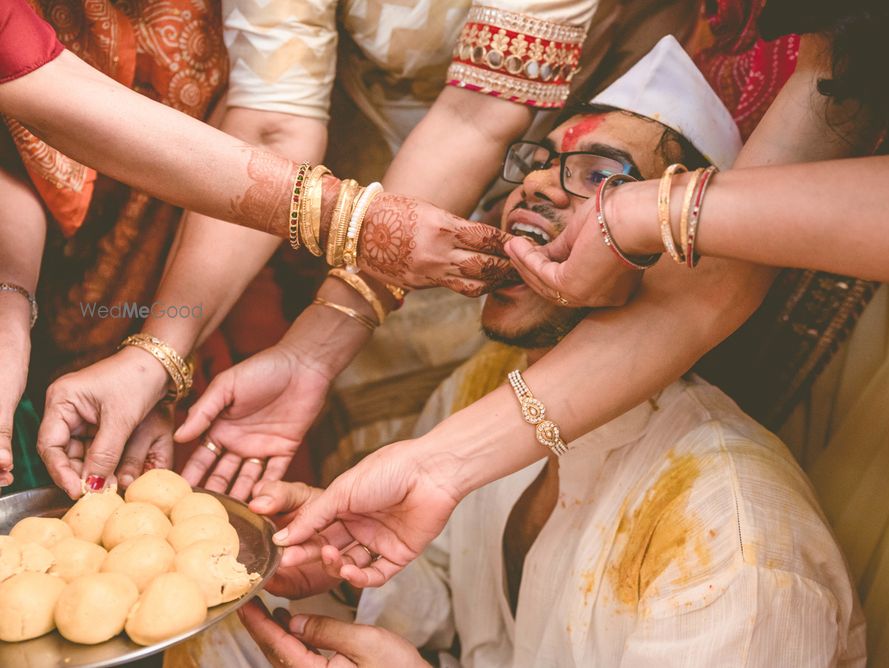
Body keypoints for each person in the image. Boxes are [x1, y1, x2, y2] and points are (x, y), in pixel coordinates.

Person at [260, 0, 889, 664]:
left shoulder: (730, 546)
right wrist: (346, 571)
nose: (536, 187)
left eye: (597, 173)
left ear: (682, 247)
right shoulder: (475, 393)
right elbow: (448, 597)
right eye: (540, 163)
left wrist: (642, 215)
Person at [0, 0, 517, 494]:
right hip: (201, 229)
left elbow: (476, 115)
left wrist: (164, 354)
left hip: (458, 231)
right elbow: (30, 94)